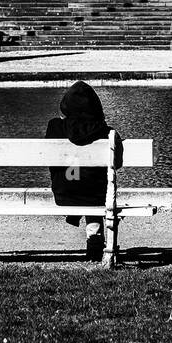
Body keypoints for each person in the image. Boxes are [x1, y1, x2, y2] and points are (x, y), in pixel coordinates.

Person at [46, 81, 122, 261]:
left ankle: (93, 236)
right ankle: (94, 237)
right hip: (95, 196)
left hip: (64, 193)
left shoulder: (54, 127)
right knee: (91, 185)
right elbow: (117, 164)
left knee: (78, 181)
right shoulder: (107, 132)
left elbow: (50, 160)